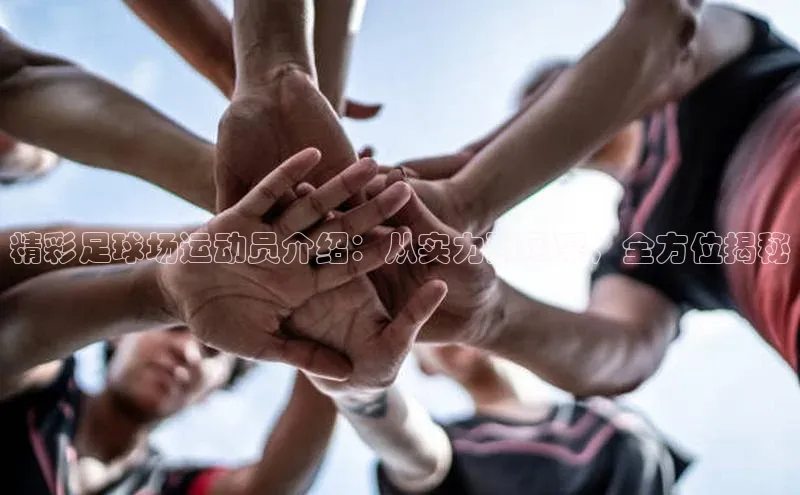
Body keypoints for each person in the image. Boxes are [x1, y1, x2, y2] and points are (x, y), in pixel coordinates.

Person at [307, 341, 691, 494]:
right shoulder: (454, 442)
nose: (443, 325)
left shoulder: (599, 410)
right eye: (424, 325)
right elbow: (417, 457)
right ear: (425, 365)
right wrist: (359, 387)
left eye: (445, 301)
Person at [0, 324, 340, 495]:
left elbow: (268, 485)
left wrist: (330, 338)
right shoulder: (38, 386)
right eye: (173, 324)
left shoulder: (170, 487)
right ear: (119, 332)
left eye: (212, 351)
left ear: (215, 389)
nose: (187, 353)